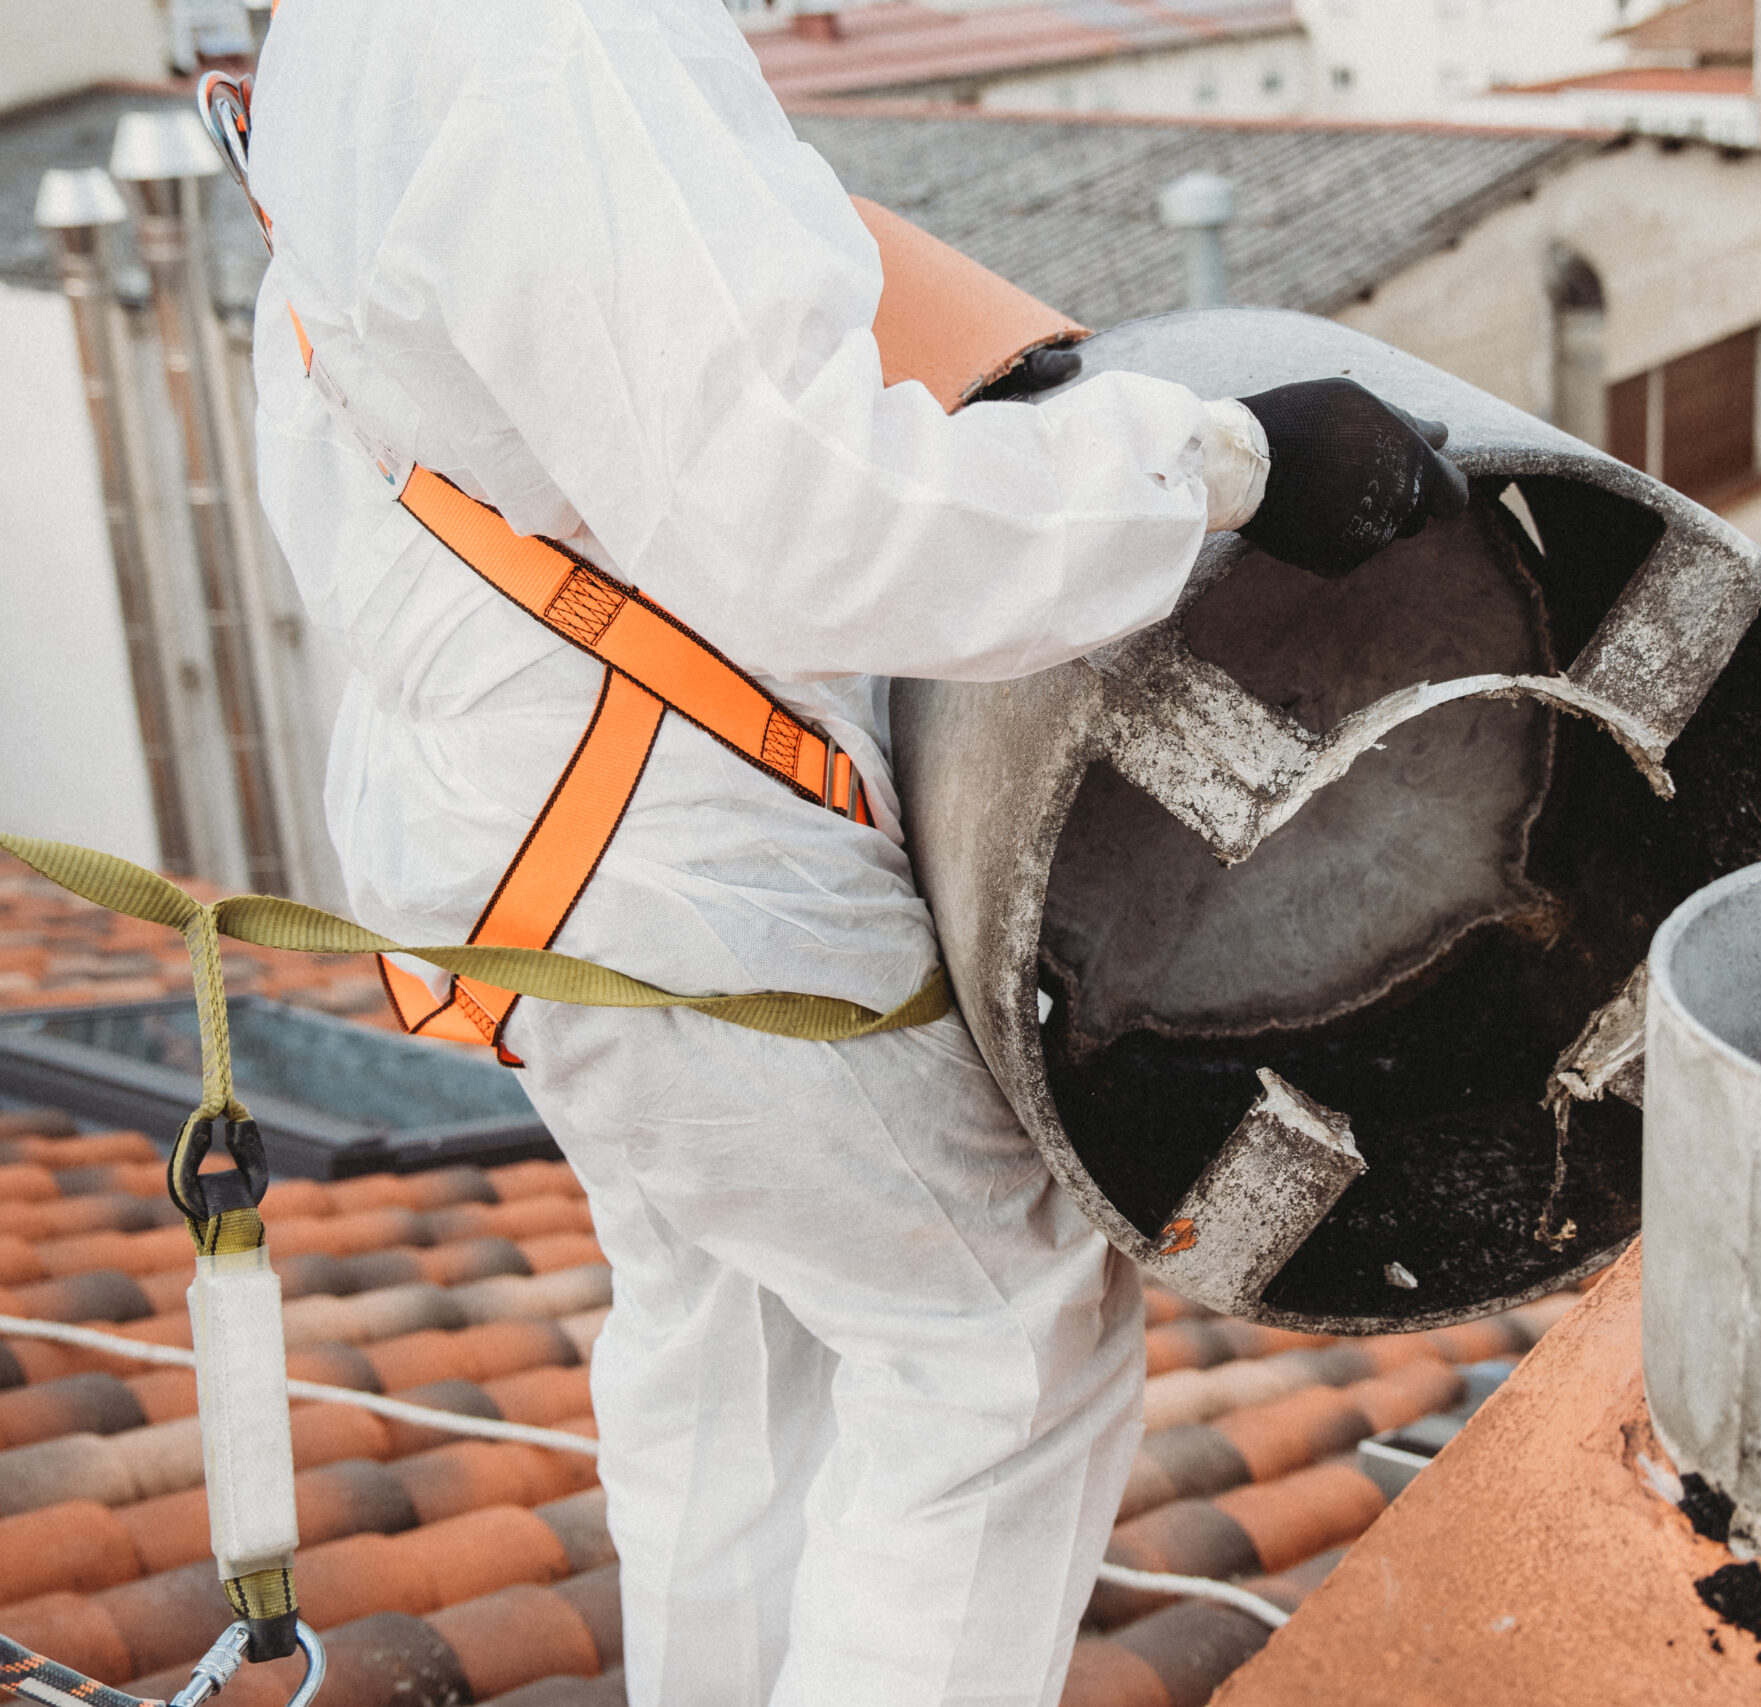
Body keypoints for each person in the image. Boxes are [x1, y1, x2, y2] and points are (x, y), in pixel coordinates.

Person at [244, 1, 1464, 1701]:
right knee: (991, 1345)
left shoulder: (353, 30)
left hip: (514, 792)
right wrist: (1226, 466)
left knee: (734, 1322)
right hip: (662, 831)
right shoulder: (549, 34)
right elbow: (800, 509)